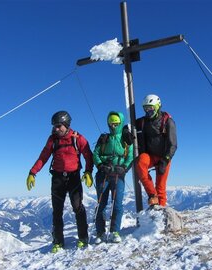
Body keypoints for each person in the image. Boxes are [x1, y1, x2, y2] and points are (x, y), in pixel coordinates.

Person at [26, 110, 94, 253]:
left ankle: (83, 237)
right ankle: (58, 241)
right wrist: (33, 172)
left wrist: (88, 172)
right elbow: (43, 156)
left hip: (74, 177)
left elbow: (89, 155)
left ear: (66, 124)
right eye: (54, 126)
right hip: (57, 178)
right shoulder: (53, 139)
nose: (56, 129)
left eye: (58, 126)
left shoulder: (77, 138)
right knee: (57, 211)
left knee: (77, 207)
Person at [92, 111, 133, 244]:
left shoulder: (126, 138)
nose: (113, 126)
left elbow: (131, 155)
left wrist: (124, 168)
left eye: (116, 124)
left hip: (118, 175)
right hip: (104, 174)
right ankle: (100, 232)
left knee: (117, 204)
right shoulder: (104, 138)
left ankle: (115, 231)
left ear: (120, 123)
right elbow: (95, 154)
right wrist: (100, 165)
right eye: (111, 124)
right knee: (101, 204)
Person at [135, 94, 177, 207]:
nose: (148, 111)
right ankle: (152, 195)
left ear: (157, 106)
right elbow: (130, 125)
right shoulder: (142, 121)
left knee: (160, 186)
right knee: (140, 163)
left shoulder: (168, 122)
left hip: (164, 157)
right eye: (146, 108)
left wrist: (165, 160)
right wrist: (125, 130)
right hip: (150, 156)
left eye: (151, 108)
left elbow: (173, 145)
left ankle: (161, 210)